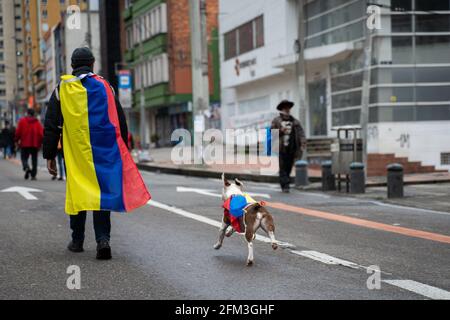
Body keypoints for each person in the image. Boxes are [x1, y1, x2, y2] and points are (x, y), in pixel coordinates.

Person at [43, 47, 151, 260]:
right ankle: (103, 239)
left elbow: (52, 125)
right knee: (102, 195)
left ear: (72, 65)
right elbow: (120, 119)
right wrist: (124, 149)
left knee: (78, 194)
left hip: (76, 154)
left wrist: (49, 155)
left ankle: (77, 241)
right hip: (105, 151)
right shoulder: (105, 86)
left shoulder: (61, 89)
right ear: (92, 63)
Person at [271, 100, 306, 193]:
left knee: (289, 167)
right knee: (282, 167)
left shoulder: (295, 121)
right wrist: (281, 130)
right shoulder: (276, 120)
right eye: (285, 108)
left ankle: (286, 182)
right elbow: (272, 132)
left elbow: (301, 133)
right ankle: (285, 185)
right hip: (281, 148)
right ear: (282, 109)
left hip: (292, 147)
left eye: (288, 108)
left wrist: (303, 143)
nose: (287, 109)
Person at [15, 109, 44, 180]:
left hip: (24, 143)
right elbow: (41, 134)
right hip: (35, 144)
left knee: (24, 157)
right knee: (34, 160)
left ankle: (26, 167)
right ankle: (33, 175)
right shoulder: (37, 122)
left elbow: (18, 132)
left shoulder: (22, 121)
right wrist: (41, 143)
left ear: (27, 113)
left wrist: (16, 140)